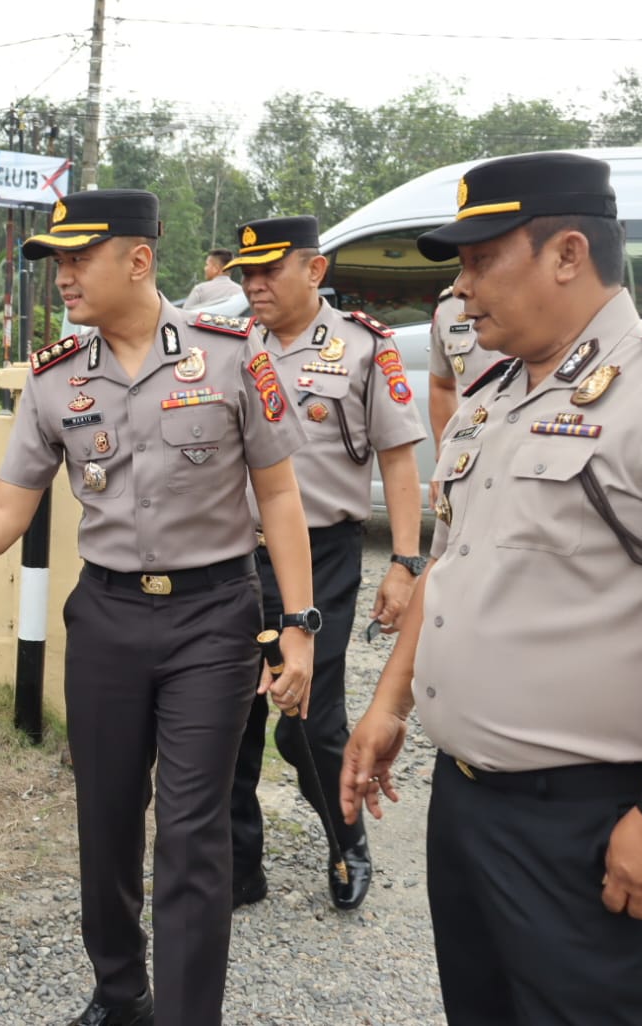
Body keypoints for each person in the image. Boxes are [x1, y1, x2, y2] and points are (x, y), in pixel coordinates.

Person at [0, 189, 317, 1026]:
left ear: (137, 259)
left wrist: (299, 628)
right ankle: (120, 994)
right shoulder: (54, 376)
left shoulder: (232, 356)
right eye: (56, 261)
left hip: (212, 617)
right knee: (106, 817)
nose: (62, 276)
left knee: (191, 831)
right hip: (106, 617)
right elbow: (4, 507)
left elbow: (277, 496)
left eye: (77, 258)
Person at [342, 151, 642, 1026]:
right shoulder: (491, 395)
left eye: (479, 260)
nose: (460, 290)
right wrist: (388, 701)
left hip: (596, 818)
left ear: (566, 254)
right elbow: (450, 562)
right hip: (467, 802)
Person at [222, 216, 427, 912]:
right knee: (230, 718)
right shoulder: (228, 346)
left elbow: (397, 458)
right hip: (234, 554)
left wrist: (404, 562)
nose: (254, 285)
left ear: (314, 270)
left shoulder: (364, 347)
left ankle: (347, 842)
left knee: (307, 720)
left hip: (321, 555)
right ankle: (238, 866)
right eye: (246, 274)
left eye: (268, 271)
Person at [427, 285, 511, 445]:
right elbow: (442, 386)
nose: (461, 282)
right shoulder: (449, 307)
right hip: (473, 448)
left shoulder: (548, 297)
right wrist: (445, 448)